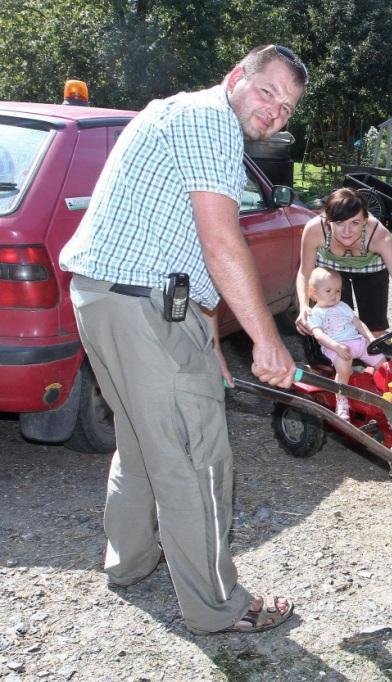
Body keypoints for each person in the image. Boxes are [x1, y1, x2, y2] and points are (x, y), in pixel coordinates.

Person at [59, 44, 308, 634]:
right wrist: (266, 342)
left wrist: (207, 336)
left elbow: (183, 243)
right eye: (267, 91)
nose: (274, 111)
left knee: (144, 442)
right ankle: (219, 607)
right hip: (141, 308)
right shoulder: (210, 121)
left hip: (113, 300)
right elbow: (221, 241)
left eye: (288, 107)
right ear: (236, 78)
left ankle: (130, 563)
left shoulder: (175, 111)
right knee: (197, 459)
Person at [295, 187, 392, 344]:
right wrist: (304, 306)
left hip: (371, 270)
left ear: (365, 221)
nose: (347, 231)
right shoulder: (314, 229)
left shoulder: (379, 235)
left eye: (355, 222)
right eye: (339, 223)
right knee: (334, 325)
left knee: (375, 330)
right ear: (328, 221)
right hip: (330, 272)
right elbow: (305, 273)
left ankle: (379, 362)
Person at [306, 267, 385, 419]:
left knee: (382, 361)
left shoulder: (343, 306)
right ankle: (342, 403)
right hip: (335, 346)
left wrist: (370, 338)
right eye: (328, 291)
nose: (334, 295)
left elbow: (358, 323)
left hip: (357, 342)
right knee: (343, 368)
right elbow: (319, 335)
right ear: (314, 294)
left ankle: (383, 391)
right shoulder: (316, 313)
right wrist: (337, 347)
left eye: (337, 291)